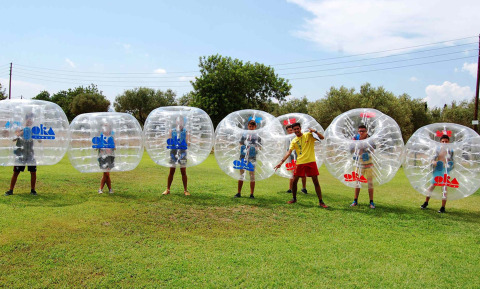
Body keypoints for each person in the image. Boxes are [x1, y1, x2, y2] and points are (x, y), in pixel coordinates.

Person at [274, 122, 328, 207]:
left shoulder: (308, 135)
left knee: (315, 181)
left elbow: (322, 137)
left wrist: (315, 131)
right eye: (294, 129)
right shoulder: (294, 140)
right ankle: (294, 198)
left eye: (297, 129)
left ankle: (321, 201)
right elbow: (289, 152)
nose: (296, 130)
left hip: (311, 161)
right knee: (295, 181)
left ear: (300, 128)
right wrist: (281, 162)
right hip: (300, 163)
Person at [5, 113, 37, 196]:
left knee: (33, 172)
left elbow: (40, 140)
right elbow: (13, 138)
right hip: (20, 155)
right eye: (29, 119)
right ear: (26, 119)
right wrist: (23, 131)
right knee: (16, 172)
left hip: (30, 154)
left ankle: (33, 190)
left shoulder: (33, 130)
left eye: (32, 119)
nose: (30, 120)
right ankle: (10, 190)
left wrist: (35, 134)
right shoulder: (19, 129)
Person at [421, 135, 453, 213]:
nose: (445, 143)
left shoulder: (451, 151)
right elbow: (432, 159)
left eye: (446, 141)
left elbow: (452, 161)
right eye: (443, 141)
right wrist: (433, 162)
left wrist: (450, 165)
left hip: (446, 171)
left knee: (444, 188)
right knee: (432, 186)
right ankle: (426, 202)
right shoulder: (437, 150)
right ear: (440, 142)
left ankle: (442, 207)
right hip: (438, 170)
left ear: (449, 142)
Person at [350, 124, 376, 209]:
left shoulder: (370, 140)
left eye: (363, 131)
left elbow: (373, 150)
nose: (361, 133)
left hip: (369, 164)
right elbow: (351, 149)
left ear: (366, 131)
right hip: (359, 164)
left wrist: (364, 148)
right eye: (360, 131)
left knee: (370, 183)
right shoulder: (356, 138)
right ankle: (355, 200)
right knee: (357, 182)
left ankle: (371, 202)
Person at [163, 116, 190, 196]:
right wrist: (173, 142)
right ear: (176, 122)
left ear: (183, 122)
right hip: (173, 152)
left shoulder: (185, 131)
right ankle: (167, 189)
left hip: (182, 152)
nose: (179, 122)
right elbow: (169, 140)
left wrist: (185, 142)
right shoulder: (172, 131)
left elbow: (188, 142)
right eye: (178, 120)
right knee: (171, 171)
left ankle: (185, 190)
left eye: (181, 120)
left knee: (183, 171)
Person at [234, 119, 261, 199]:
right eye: (250, 126)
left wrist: (255, 148)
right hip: (243, 156)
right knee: (241, 174)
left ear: (255, 127)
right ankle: (238, 193)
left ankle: (251, 194)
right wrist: (242, 147)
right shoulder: (244, 135)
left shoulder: (257, 136)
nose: (251, 128)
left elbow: (259, 147)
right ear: (248, 126)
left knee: (252, 175)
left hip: (252, 157)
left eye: (253, 126)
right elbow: (240, 143)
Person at [285, 124, 307, 194]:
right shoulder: (287, 139)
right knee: (293, 173)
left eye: (291, 130)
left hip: (300, 157)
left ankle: (304, 188)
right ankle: (290, 188)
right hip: (291, 157)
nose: (290, 132)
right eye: (288, 131)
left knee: (302, 173)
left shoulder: (298, 137)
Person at [97, 122, 115, 194]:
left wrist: (110, 148)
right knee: (106, 173)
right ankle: (102, 189)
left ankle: (108, 189)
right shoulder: (100, 137)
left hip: (110, 157)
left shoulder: (112, 137)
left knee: (106, 174)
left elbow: (114, 147)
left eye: (107, 127)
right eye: (104, 127)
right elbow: (96, 147)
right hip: (102, 157)